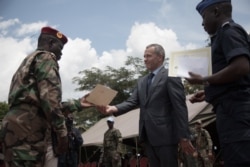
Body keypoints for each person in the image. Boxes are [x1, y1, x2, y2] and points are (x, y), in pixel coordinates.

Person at [1, 26, 93, 167]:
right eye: (60, 49)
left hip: (14, 129)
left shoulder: (27, 61)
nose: (61, 54)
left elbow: (40, 102)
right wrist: (62, 133)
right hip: (28, 131)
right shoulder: (46, 57)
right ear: (50, 43)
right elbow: (50, 101)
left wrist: (78, 104)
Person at [98, 43, 195, 167]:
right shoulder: (142, 81)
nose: (144, 59)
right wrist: (112, 108)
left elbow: (180, 107)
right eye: (144, 56)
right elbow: (131, 101)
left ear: (160, 57)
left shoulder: (171, 75)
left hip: (166, 137)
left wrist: (184, 136)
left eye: (148, 56)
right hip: (148, 136)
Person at [185, 0, 250, 166]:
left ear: (216, 11)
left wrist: (203, 80)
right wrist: (208, 92)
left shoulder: (229, 31)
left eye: (203, 16)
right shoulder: (222, 35)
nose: (202, 23)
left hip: (236, 111)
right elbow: (234, 80)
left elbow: (241, 67)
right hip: (230, 110)